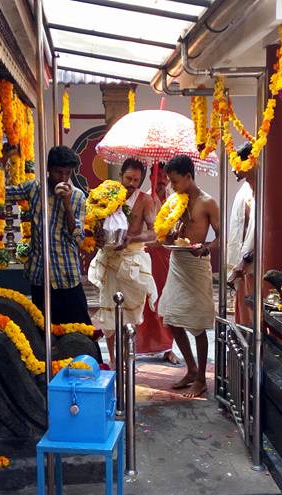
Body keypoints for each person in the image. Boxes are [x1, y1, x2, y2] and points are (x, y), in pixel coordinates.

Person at [5, 145, 91, 325]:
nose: (63, 178)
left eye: (68, 173)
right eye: (58, 172)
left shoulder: (77, 197)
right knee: (43, 330)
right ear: (48, 169)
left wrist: (67, 205)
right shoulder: (35, 188)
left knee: (80, 331)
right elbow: (2, 193)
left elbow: (78, 238)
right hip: (39, 275)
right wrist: (3, 160)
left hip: (67, 276)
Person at [157, 155, 220, 398]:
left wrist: (206, 248)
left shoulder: (207, 202)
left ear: (188, 176)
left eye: (175, 181)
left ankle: (202, 378)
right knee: (171, 318)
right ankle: (191, 368)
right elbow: (167, 235)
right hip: (177, 262)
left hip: (196, 265)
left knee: (197, 323)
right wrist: (171, 233)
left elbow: (219, 236)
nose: (172, 186)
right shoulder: (174, 201)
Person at [88, 158, 158, 366]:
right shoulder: (106, 194)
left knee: (132, 312)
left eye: (136, 180)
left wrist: (132, 239)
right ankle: (112, 357)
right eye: (128, 178)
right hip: (109, 259)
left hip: (132, 260)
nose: (132, 183)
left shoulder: (145, 200)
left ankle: (128, 355)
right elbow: (93, 223)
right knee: (108, 307)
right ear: (120, 176)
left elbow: (154, 233)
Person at [135, 164, 178, 364]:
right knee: (143, 301)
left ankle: (169, 347)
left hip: (166, 258)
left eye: (164, 176)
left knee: (166, 301)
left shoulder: (174, 201)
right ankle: (139, 344)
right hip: (145, 255)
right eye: (157, 175)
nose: (161, 180)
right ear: (150, 176)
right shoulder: (143, 199)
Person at [226, 143, 256, 327]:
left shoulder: (260, 190)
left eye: (237, 163)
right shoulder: (245, 191)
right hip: (241, 259)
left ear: (251, 162)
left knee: (251, 308)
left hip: (251, 261)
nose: (233, 169)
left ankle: (252, 349)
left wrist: (246, 259)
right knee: (242, 308)